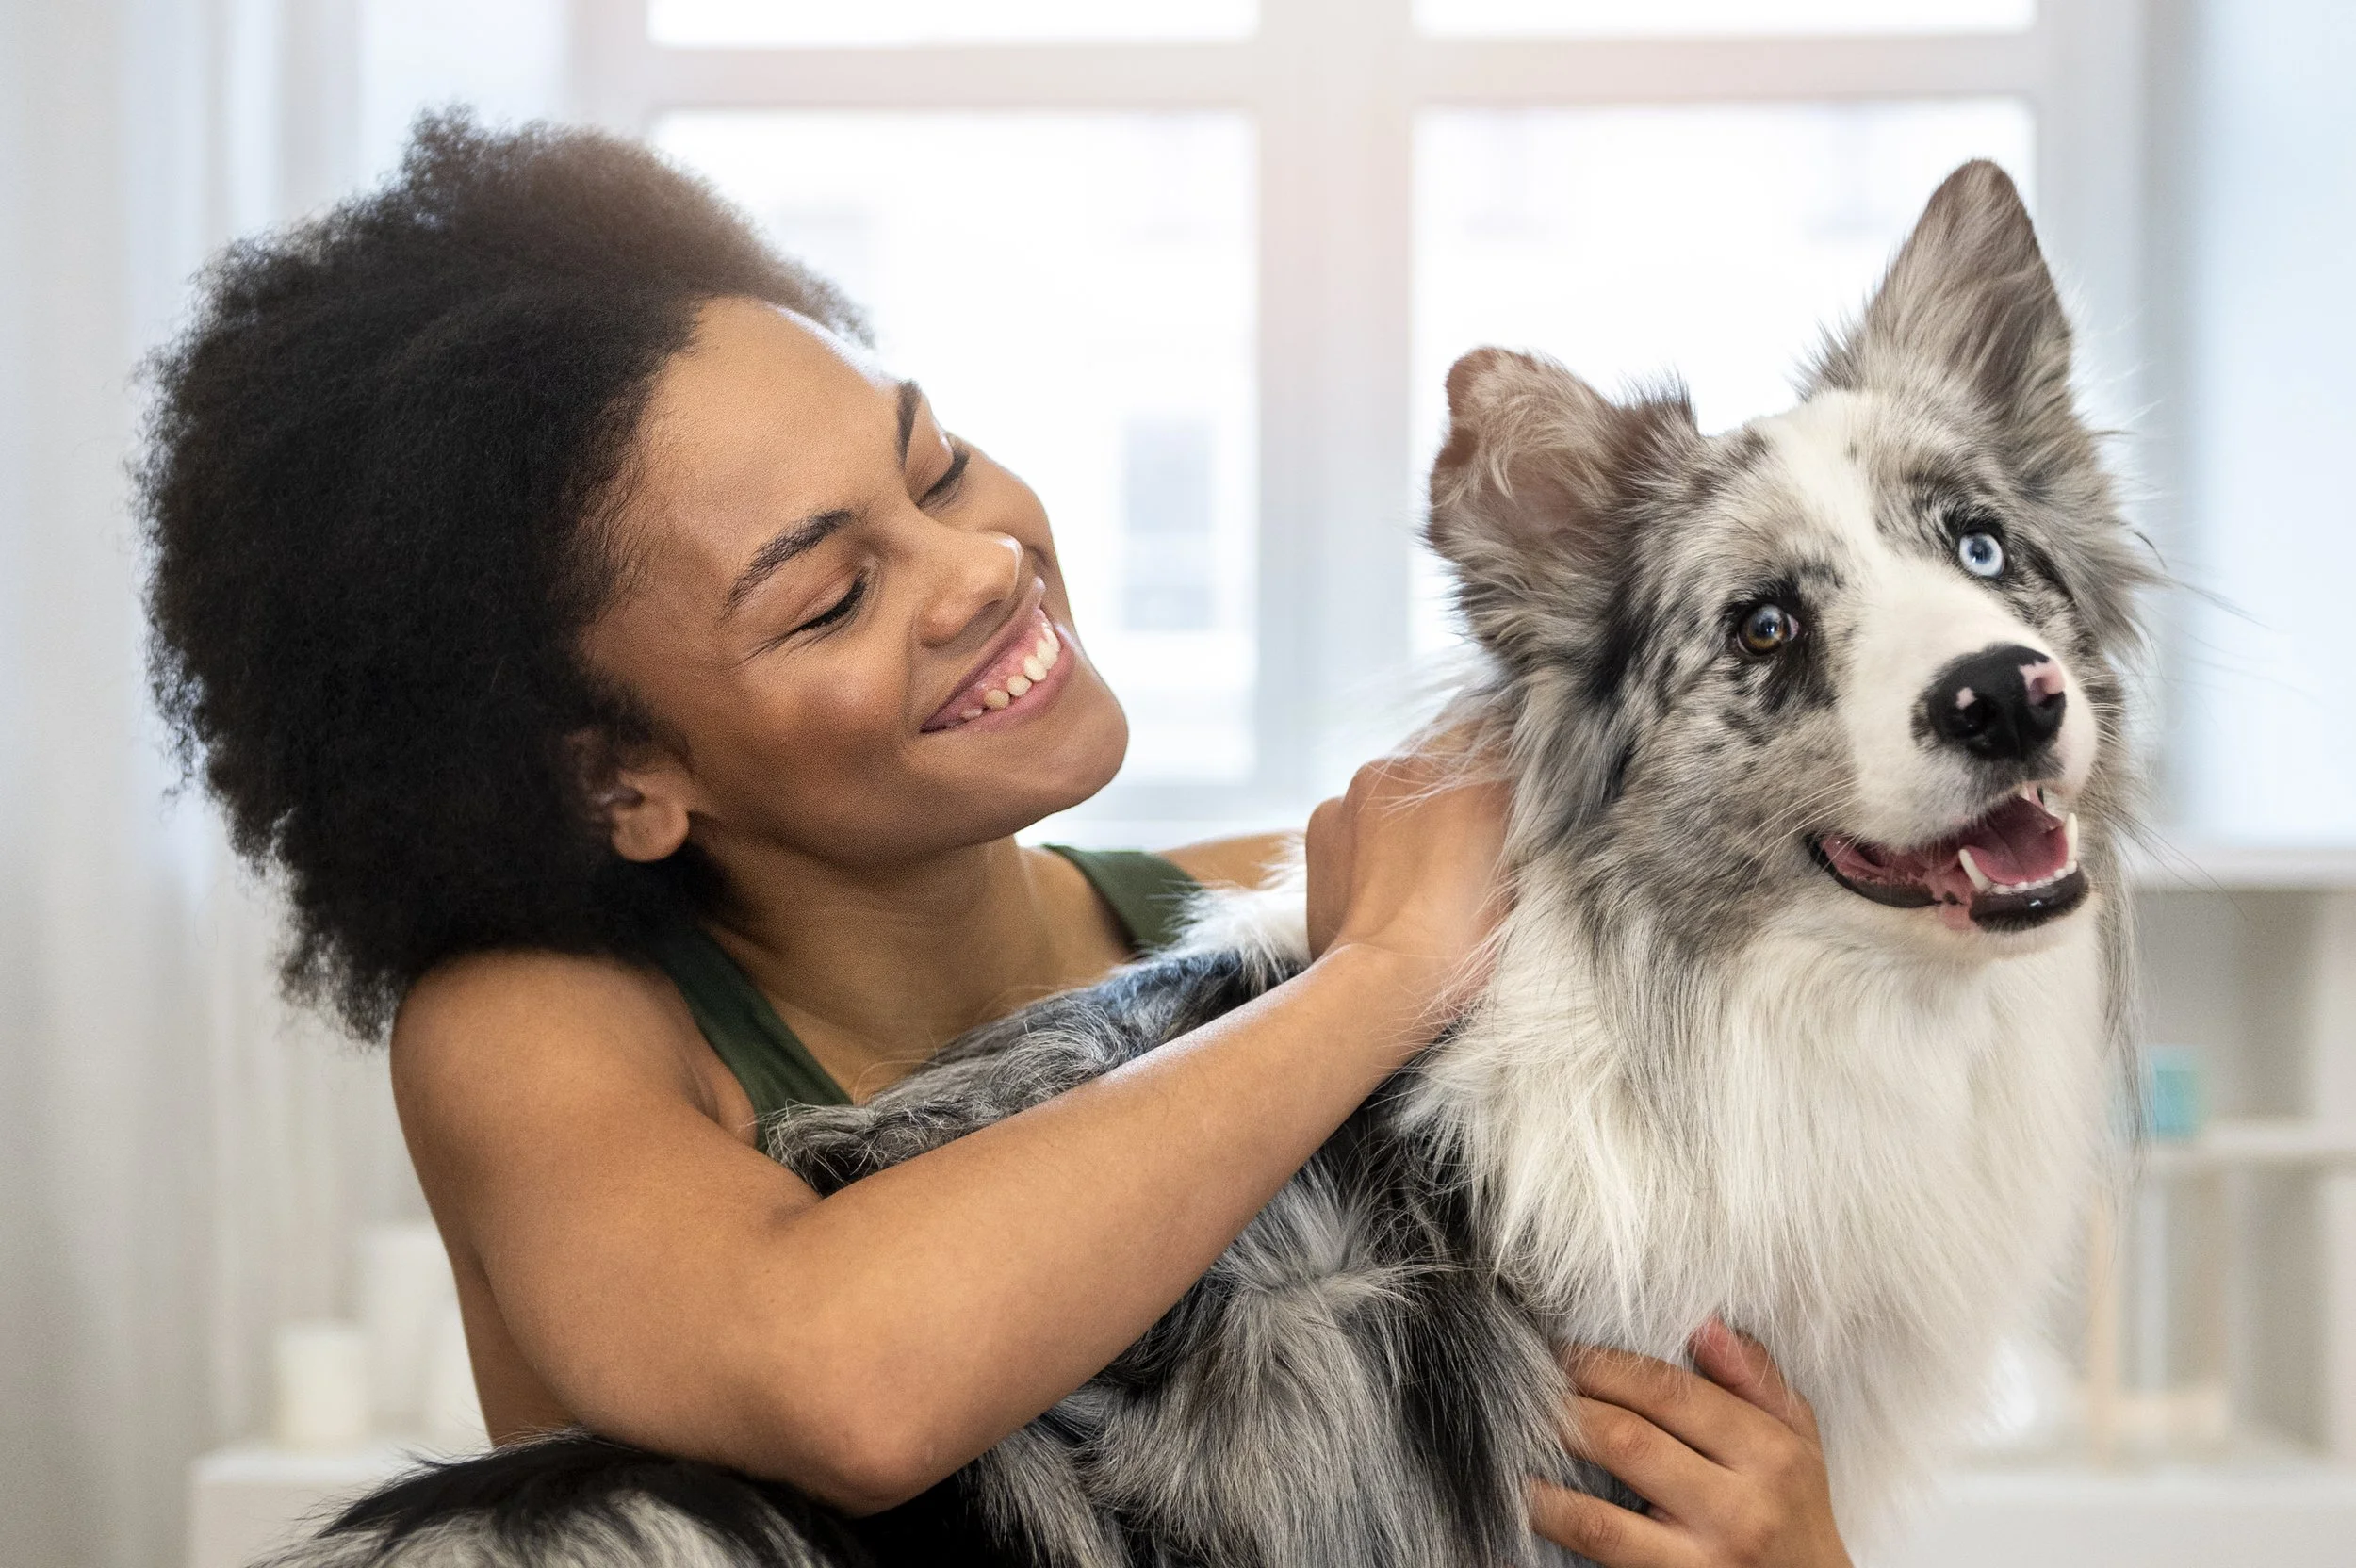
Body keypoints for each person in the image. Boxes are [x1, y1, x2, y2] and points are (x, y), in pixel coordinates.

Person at [140, 114, 1850, 1567]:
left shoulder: (1279, 900)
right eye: (831, 597)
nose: (979, 568)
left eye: (939, 465)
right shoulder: (543, 1037)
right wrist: (1378, 981)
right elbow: (847, 1383)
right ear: (619, 783)